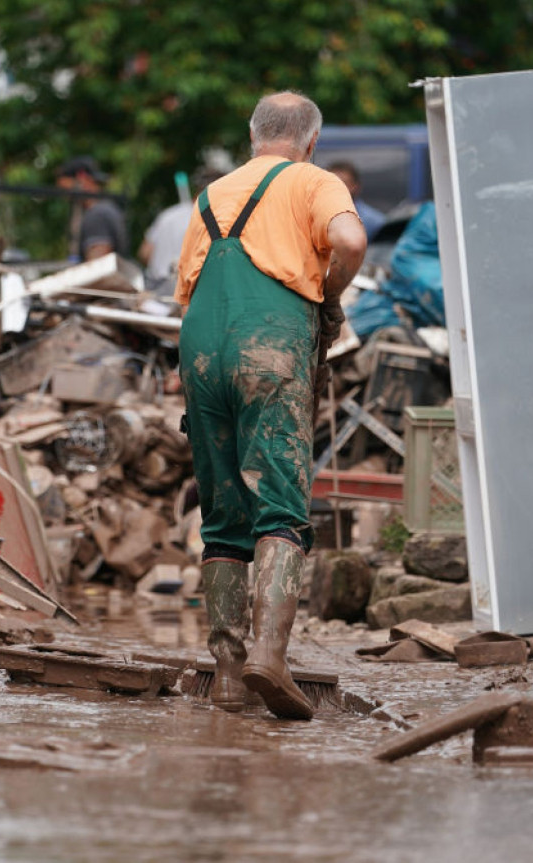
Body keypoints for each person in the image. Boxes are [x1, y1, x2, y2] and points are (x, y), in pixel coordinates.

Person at [175, 91, 367, 720]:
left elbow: (188, 290)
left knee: (223, 514)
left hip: (202, 350)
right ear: (310, 141)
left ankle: (228, 677)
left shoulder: (210, 196)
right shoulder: (315, 182)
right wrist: (331, 295)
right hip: (270, 348)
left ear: (252, 134)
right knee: (280, 503)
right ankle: (269, 657)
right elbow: (351, 240)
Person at [138, 168, 224, 297]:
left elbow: (144, 253)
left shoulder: (168, 214)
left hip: (153, 289)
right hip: (182, 292)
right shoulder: (212, 221)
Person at [55, 156, 129, 261]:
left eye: (66, 190)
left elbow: (98, 267)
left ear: (82, 178)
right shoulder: (104, 209)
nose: (66, 197)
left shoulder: (97, 215)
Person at [328, 161, 386, 241]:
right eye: (332, 183)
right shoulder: (314, 217)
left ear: (356, 186)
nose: (337, 188)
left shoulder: (375, 222)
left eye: (343, 183)